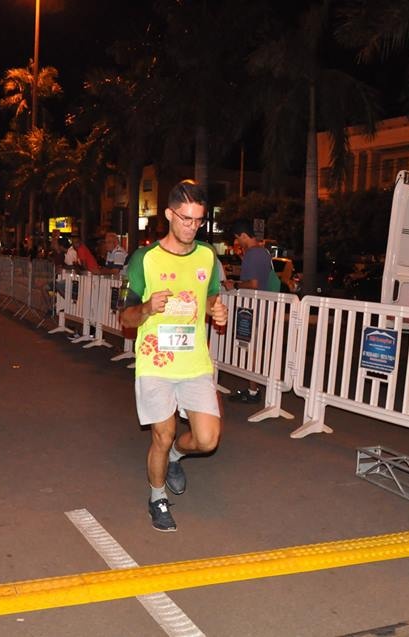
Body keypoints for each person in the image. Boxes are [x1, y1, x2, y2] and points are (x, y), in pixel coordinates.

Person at [119, 180, 228, 532]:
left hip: (194, 362)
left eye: (198, 220)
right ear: (168, 214)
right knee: (162, 435)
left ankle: (177, 458)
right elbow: (124, 316)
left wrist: (217, 311)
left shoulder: (208, 256)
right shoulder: (144, 259)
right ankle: (157, 497)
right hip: (156, 362)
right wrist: (148, 307)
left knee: (208, 439)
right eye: (185, 218)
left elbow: (210, 297)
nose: (191, 226)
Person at [224, 218, 281, 404]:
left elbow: (254, 284)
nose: (237, 243)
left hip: (254, 309)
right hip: (265, 308)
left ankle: (253, 391)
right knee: (256, 349)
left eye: (237, 239)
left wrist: (235, 284)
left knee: (252, 350)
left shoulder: (252, 254)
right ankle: (255, 389)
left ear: (243, 235)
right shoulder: (263, 252)